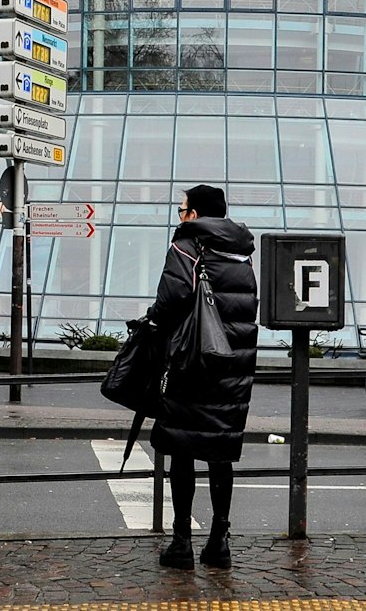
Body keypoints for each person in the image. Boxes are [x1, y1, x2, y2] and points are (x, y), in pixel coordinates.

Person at [141, 184, 257, 570]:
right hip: (233, 365)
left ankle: (181, 543)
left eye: (182, 210)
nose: (180, 216)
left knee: (183, 449)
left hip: (192, 363)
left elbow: (170, 298)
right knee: (219, 451)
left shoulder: (188, 245)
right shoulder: (242, 253)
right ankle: (219, 542)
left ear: (195, 214)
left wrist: (152, 323)